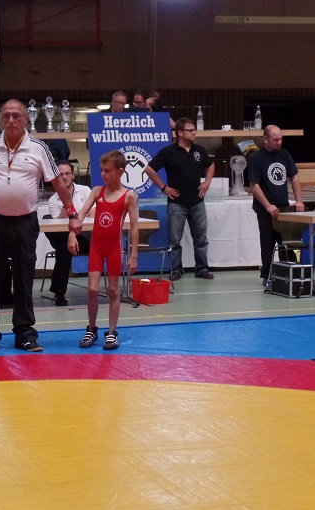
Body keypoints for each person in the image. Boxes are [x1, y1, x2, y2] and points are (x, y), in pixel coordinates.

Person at [0, 99, 80, 355]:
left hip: (25, 222)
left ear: (25, 120)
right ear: (2, 119)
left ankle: (25, 333)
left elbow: (57, 182)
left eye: (16, 116)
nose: (11, 120)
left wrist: (72, 214)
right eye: (7, 116)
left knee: (24, 277)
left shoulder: (39, 148)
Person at [69, 150, 138, 350]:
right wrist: (72, 234)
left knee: (114, 290)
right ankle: (91, 328)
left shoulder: (128, 196)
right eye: (102, 170)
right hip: (97, 247)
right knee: (92, 289)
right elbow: (81, 214)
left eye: (108, 171)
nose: (103, 174)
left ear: (120, 171)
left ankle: (112, 331)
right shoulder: (97, 191)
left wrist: (134, 255)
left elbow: (134, 226)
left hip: (114, 247)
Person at [144, 117, 215, 281]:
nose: (194, 133)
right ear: (180, 133)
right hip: (177, 203)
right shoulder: (168, 152)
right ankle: (176, 269)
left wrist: (207, 182)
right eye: (191, 130)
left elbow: (210, 164)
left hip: (197, 201)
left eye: (194, 130)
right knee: (175, 240)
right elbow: (149, 169)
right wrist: (163, 187)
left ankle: (202, 269)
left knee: (201, 239)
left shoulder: (199, 150)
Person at [248, 125, 305, 285]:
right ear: (265, 139)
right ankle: (267, 275)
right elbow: (254, 185)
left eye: (281, 139)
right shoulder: (257, 158)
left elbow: (294, 177)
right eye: (275, 140)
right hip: (265, 209)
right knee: (268, 242)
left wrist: (299, 200)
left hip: (283, 206)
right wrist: (267, 205)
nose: (279, 142)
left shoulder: (284, 154)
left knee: (287, 242)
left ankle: (290, 273)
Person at [44, 160, 93, 306]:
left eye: (67, 174)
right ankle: (59, 292)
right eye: (61, 174)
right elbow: (58, 226)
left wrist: (74, 226)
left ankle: (59, 291)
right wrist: (68, 200)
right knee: (63, 244)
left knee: (63, 246)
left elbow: (93, 214)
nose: (64, 177)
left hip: (86, 237)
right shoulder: (53, 200)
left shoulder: (85, 190)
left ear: (73, 175)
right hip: (66, 237)